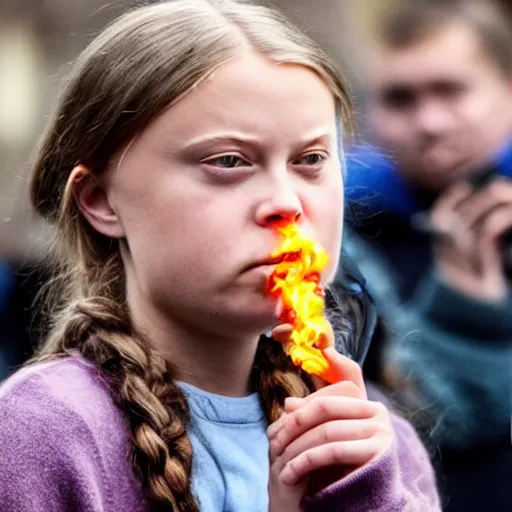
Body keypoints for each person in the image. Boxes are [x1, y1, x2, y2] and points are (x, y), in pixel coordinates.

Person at [0, 1, 440, 511]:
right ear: (100, 199)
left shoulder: (379, 449)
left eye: (311, 159)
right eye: (228, 161)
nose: (285, 204)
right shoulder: (37, 440)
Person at [343, 0, 512, 510]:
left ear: (507, 89)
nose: (430, 121)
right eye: (400, 99)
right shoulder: (342, 233)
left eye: (451, 90)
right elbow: (391, 420)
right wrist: (461, 313)